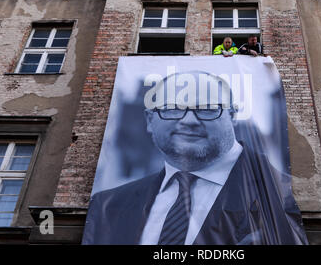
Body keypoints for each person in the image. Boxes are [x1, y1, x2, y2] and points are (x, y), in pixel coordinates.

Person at [82, 71, 307, 245]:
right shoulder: (107, 206)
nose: (189, 120)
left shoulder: (284, 192)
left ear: (232, 115)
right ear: (150, 120)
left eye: (208, 108)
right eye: (172, 108)